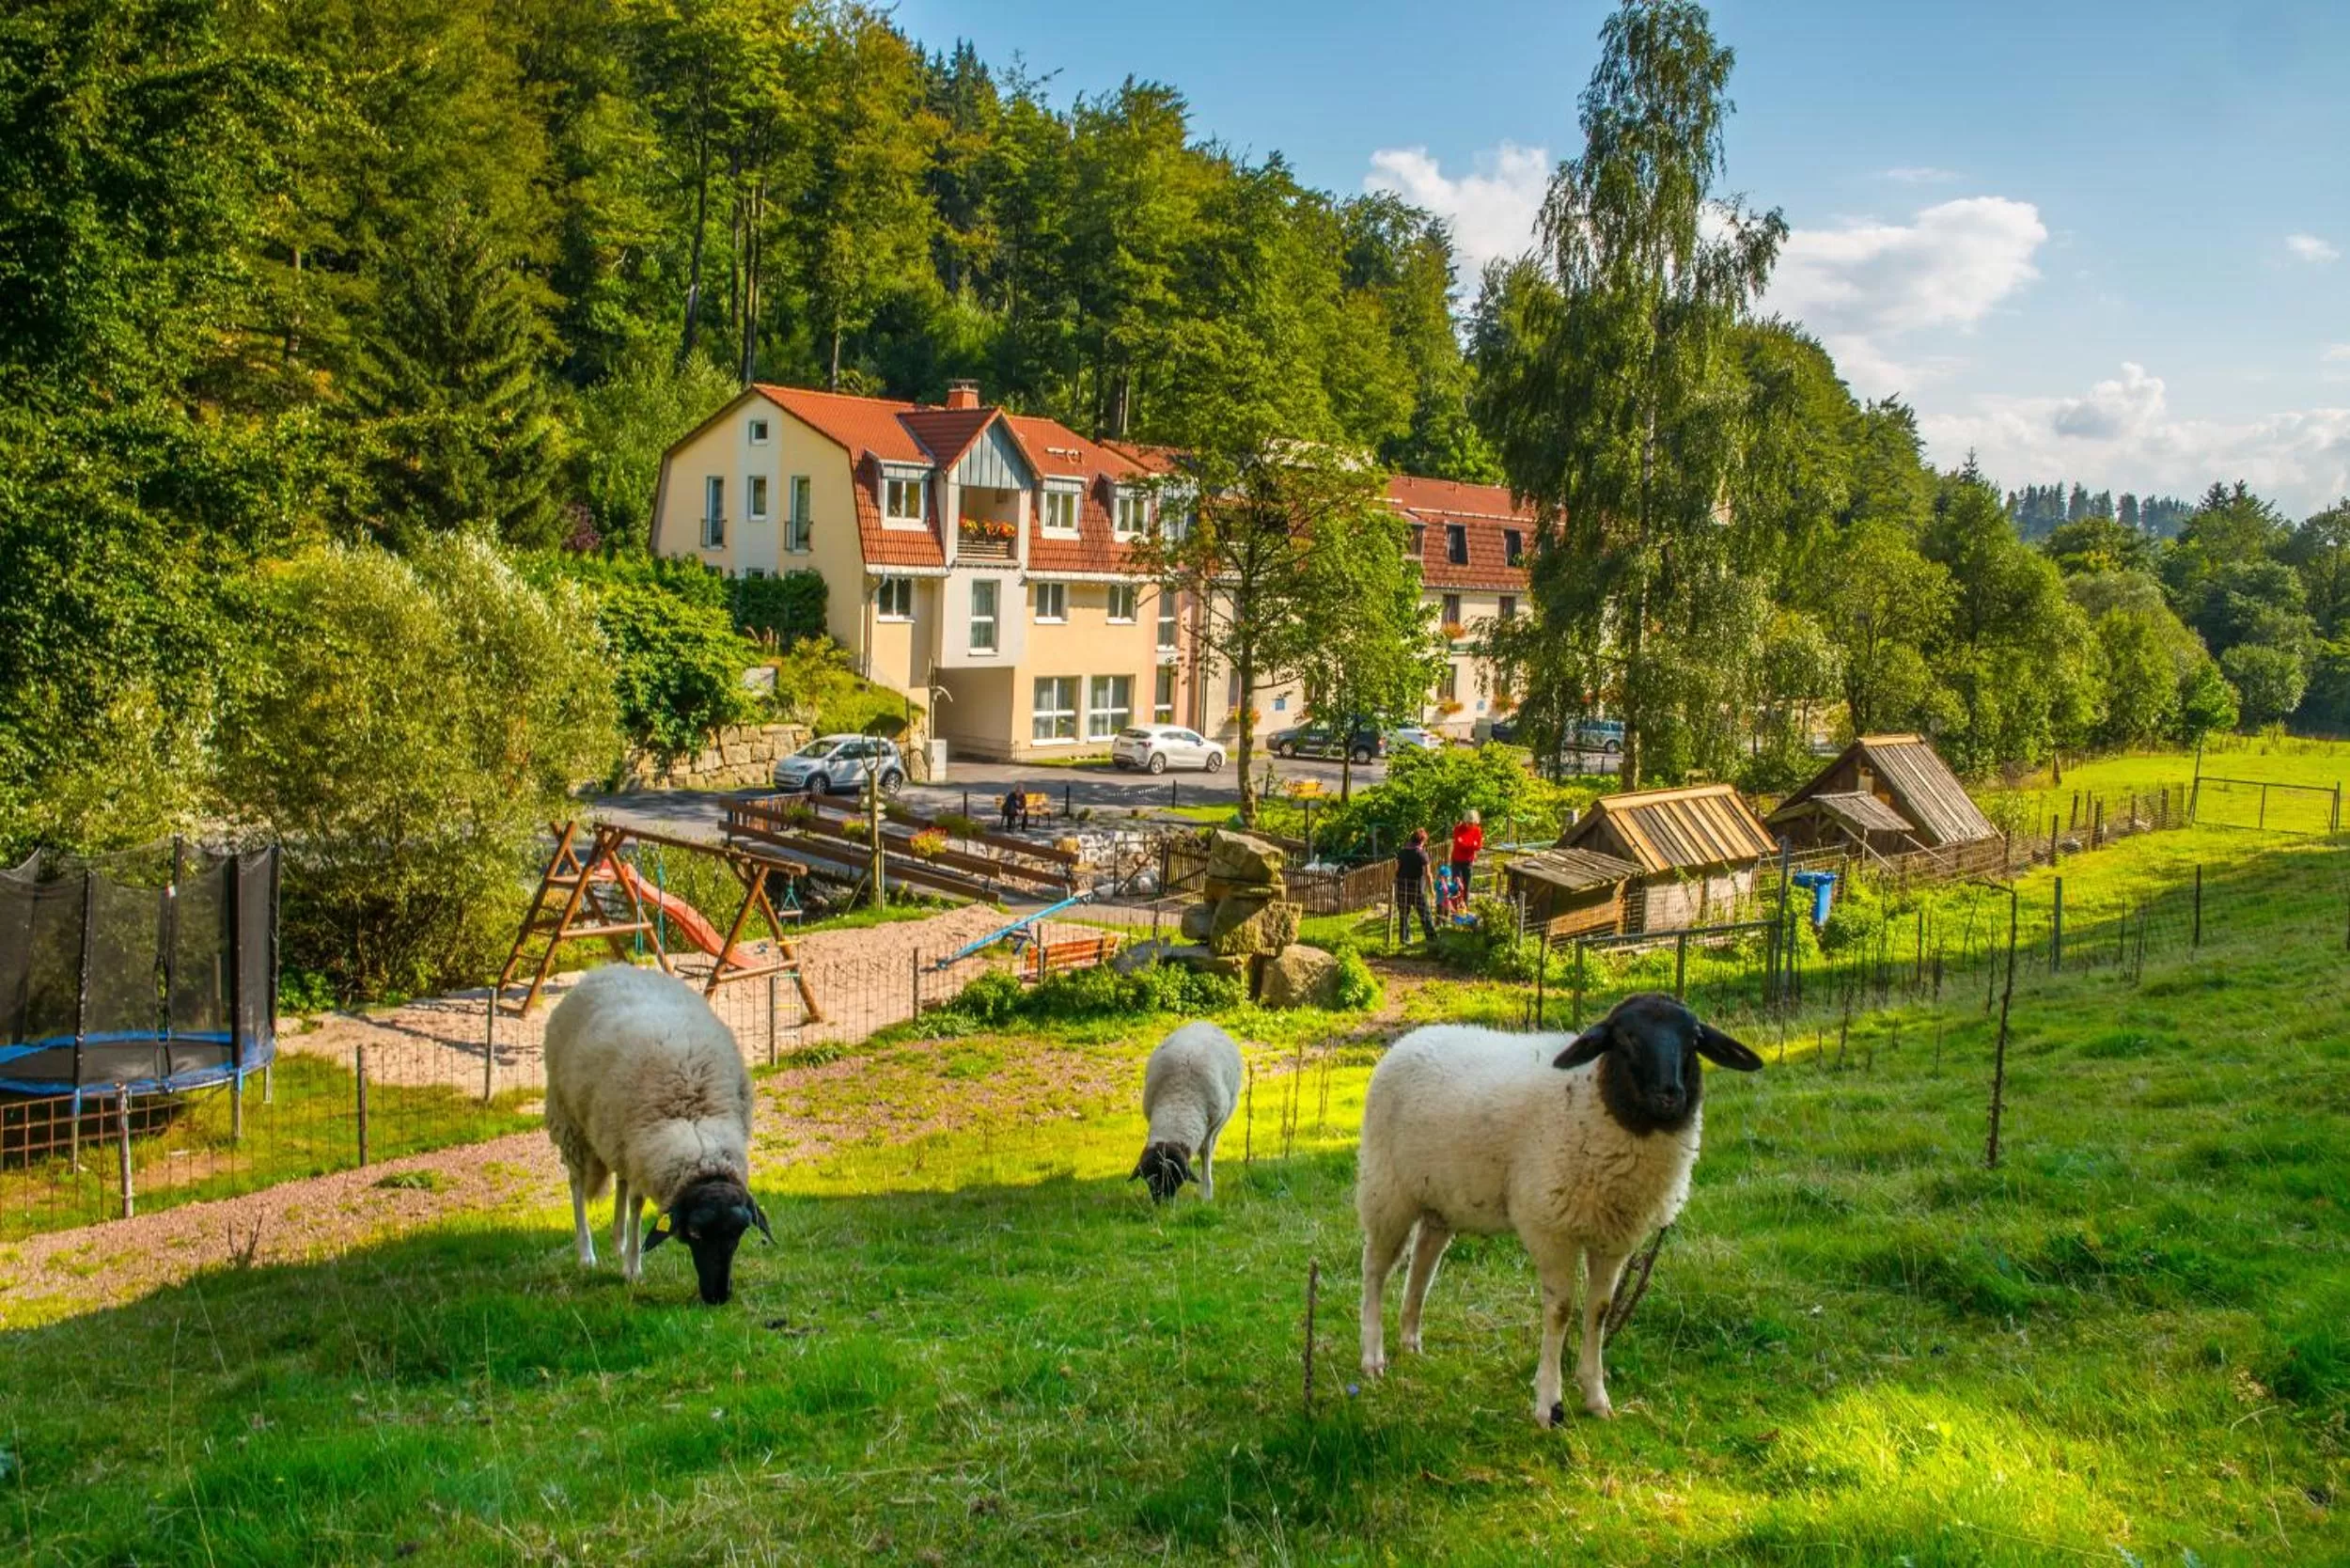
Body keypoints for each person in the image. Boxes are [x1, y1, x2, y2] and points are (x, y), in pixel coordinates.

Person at [1394, 827, 1437, 944]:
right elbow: (1428, 874)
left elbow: (1397, 869)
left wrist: (1396, 881)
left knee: (1404, 914)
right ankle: (1432, 938)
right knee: (1424, 913)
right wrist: (1432, 890)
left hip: (1403, 887)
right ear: (1422, 841)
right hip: (1418, 889)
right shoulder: (1422, 854)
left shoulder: (1402, 852)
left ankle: (1404, 939)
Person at [1449, 808, 1483, 902]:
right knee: (1456, 885)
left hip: (1468, 861)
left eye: (1473, 823)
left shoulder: (1477, 830)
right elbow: (1460, 844)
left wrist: (1470, 844)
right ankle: (1454, 906)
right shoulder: (1458, 829)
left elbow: (1479, 846)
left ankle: (1465, 907)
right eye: (1469, 823)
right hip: (1457, 861)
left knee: (1467, 885)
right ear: (1465, 821)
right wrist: (1473, 844)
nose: (1471, 825)